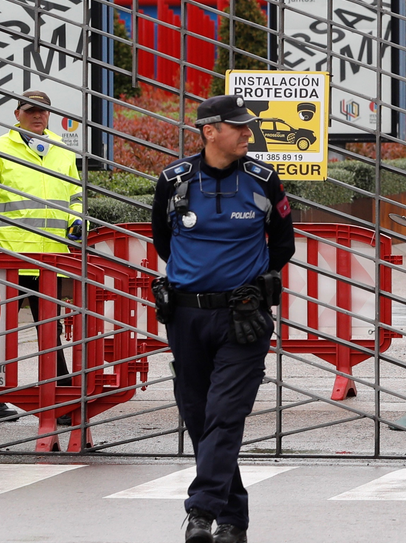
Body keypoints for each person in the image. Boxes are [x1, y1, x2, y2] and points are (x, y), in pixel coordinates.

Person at [152, 94, 294, 543]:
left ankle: (201, 511)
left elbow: (283, 245)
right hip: (187, 316)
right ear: (209, 131)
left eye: (248, 127)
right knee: (198, 415)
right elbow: (163, 242)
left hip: (243, 317)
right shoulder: (173, 180)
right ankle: (233, 520)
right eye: (239, 127)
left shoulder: (264, 180)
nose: (248, 134)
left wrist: (252, 283)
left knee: (225, 413)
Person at [0, 90, 82, 422]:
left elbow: (74, 196)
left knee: (50, 330)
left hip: (51, 260)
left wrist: (76, 221)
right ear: (17, 114)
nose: (37, 116)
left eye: (43, 111)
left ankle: (60, 400)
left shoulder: (62, 150)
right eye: (31, 111)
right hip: (9, 260)